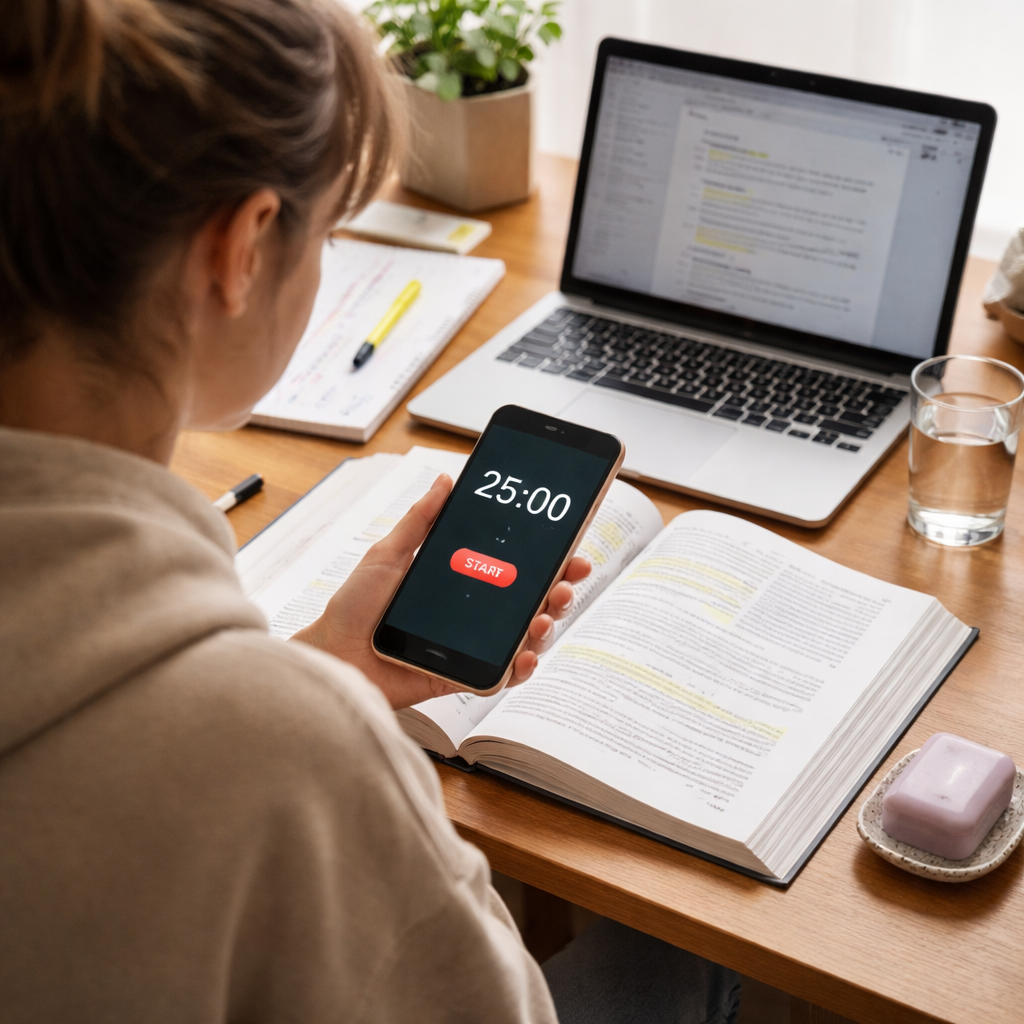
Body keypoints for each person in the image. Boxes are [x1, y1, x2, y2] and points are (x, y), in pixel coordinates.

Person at [0, 0, 741, 1021]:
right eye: (331, 231)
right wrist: (311, 715)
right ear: (242, 247)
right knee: (682, 962)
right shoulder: (293, 760)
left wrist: (313, 667)